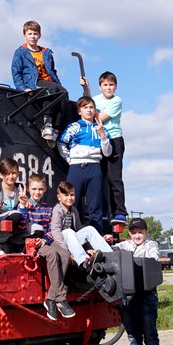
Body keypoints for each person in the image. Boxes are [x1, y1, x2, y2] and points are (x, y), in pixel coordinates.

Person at [18, 174, 75, 320]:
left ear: (45, 190)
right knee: (51, 254)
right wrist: (22, 206)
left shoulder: (47, 208)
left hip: (45, 240)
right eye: (34, 189)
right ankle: (60, 298)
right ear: (29, 189)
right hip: (32, 243)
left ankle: (50, 298)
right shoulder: (25, 206)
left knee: (65, 254)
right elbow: (22, 226)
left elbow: (51, 229)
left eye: (40, 189)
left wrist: (45, 239)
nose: (37, 192)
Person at [113, 217, 163, 345]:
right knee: (133, 337)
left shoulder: (151, 245)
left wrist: (128, 261)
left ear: (146, 233)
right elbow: (110, 251)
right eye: (134, 232)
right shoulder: (124, 245)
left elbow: (152, 259)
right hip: (128, 298)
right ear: (129, 233)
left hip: (146, 296)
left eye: (140, 232)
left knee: (150, 335)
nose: (137, 235)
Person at [56, 96, 111, 233]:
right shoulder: (74, 127)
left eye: (91, 107)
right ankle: (68, 234)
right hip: (76, 167)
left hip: (94, 167)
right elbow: (61, 143)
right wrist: (69, 159)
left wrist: (102, 134)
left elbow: (108, 152)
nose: (89, 110)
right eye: (85, 107)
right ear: (79, 111)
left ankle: (96, 236)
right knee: (70, 203)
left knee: (95, 205)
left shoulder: (101, 128)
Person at [10, 20, 67, 141]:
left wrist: (59, 85)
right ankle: (47, 125)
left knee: (63, 93)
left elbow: (52, 71)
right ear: (24, 36)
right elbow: (16, 72)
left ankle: (56, 130)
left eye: (35, 34)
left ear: (39, 35)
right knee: (50, 90)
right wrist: (22, 88)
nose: (33, 36)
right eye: (30, 34)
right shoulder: (20, 52)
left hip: (50, 81)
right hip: (33, 82)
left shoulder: (46, 52)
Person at [50, 181, 113, 274]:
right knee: (68, 231)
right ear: (59, 197)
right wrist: (68, 251)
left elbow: (79, 229)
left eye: (72, 195)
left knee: (89, 229)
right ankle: (84, 261)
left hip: (72, 240)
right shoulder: (57, 209)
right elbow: (55, 231)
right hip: (61, 242)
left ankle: (111, 256)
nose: (69, 198)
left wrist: (87, 247)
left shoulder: (74, 210)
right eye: (66, 195)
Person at [93, 71, 127, 224]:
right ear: (100, 87)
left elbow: (100, 118)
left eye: (111, 85)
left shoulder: (116, 101)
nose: (108, 88)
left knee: (114, 177)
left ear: (115, 87)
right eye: (105, 85)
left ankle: (119, 211)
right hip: (98, 140)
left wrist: (93, 114)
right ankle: (105, 209)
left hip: (114, 139)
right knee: (101, 177)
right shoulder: (95, 99)